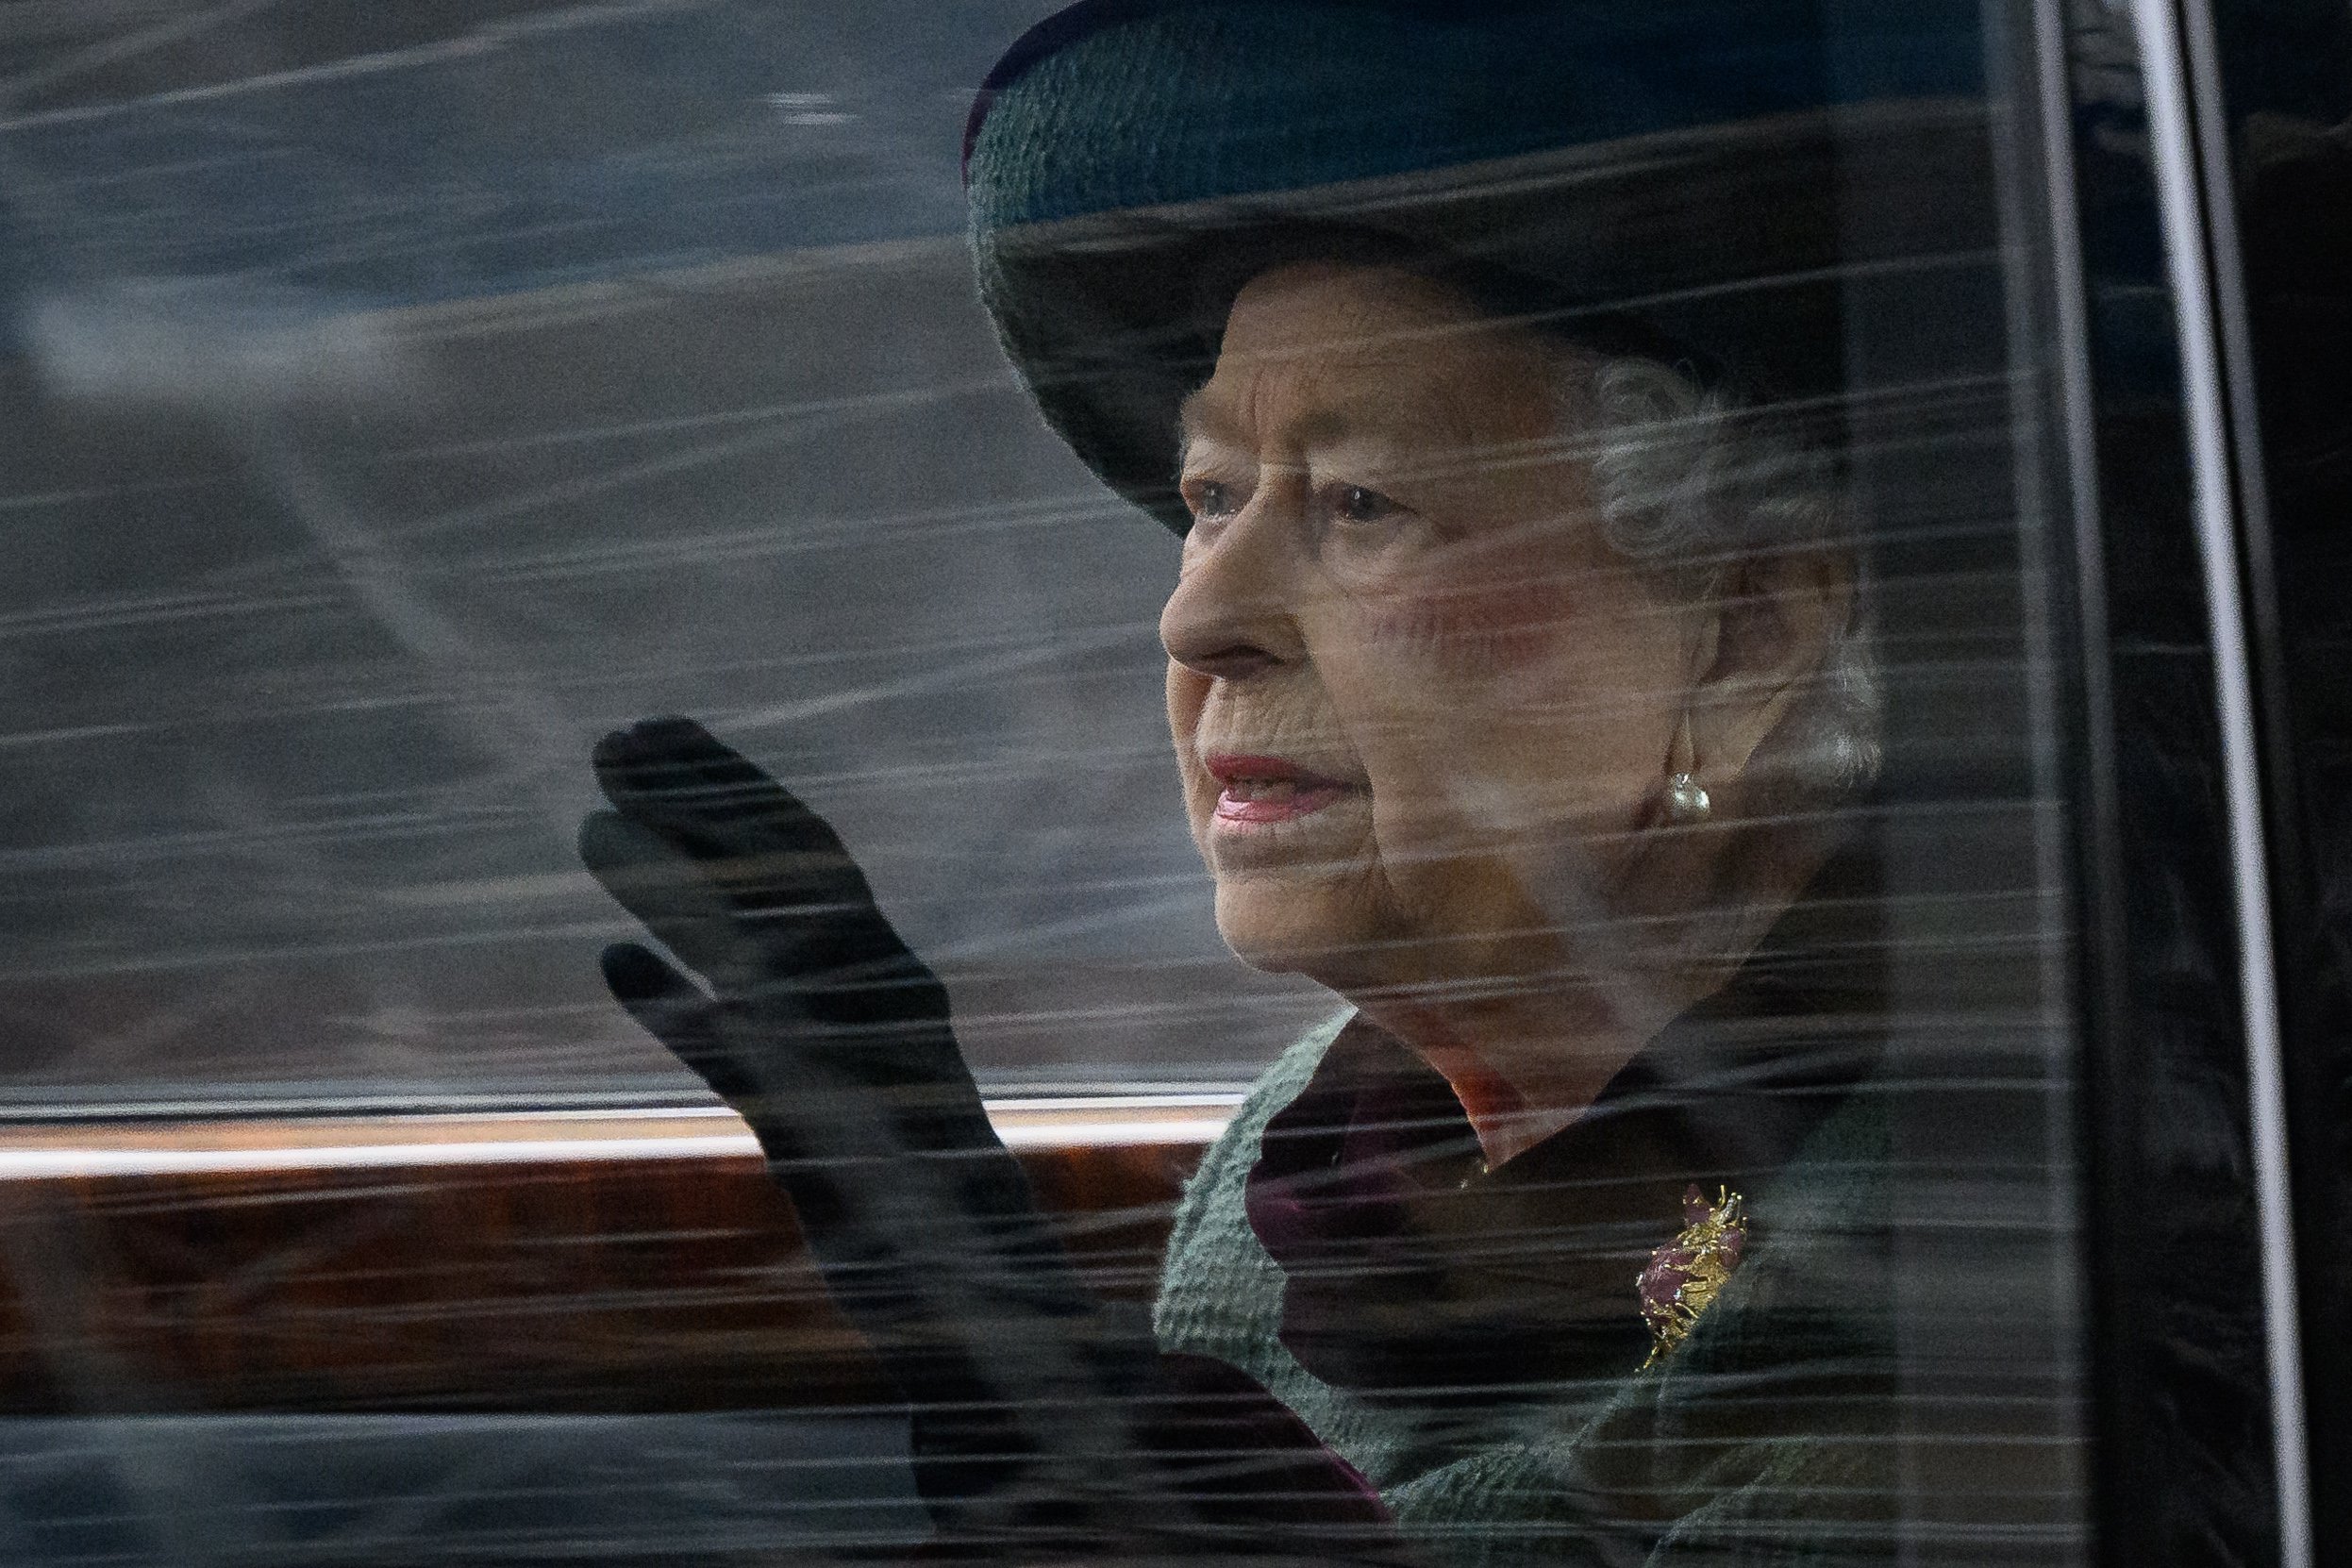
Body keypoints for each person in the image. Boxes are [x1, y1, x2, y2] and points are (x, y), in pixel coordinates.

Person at [579, 2, 1987, 1561]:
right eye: (1210, 496)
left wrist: (1035, 1369)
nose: (1198, 616)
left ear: (1741, 635)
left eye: (1361, 502)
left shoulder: (1949, 1213)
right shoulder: (1302, 1158)